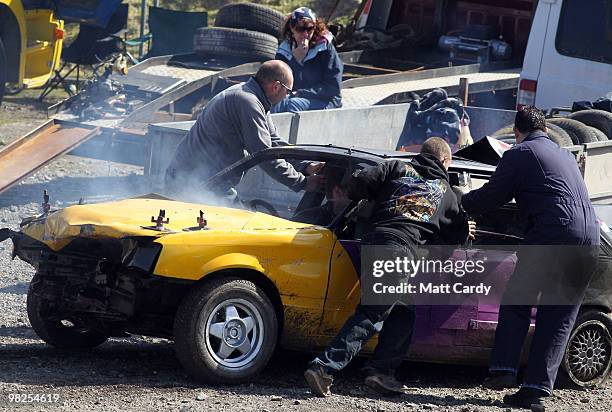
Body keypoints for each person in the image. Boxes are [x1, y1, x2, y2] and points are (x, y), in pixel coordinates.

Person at [304, 137, 475, 397]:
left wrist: (369, 195)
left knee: (404, 311)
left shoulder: (396, 167)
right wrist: (466, 227)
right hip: (400, 252)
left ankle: (381, 373)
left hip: (372, 243)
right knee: (372, 314)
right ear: (445, 161)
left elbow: (359, 183)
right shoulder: (447, 193)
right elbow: (456, 239)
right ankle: (324, 367)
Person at [460, 106, 600, 409]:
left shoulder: (519, 153)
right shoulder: (565, 156)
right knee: (559, 315)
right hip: (590, 238)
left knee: (517, 300)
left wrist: (459, 201)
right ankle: (535, 392)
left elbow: (492, 196)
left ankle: (503, 371)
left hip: (552, 235)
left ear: (516, 133)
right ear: (547, 129)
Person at [164, 60, 324, 199]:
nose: (287, 96)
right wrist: (302, 182)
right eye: (288, 92)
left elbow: (274, 142)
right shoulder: (248, 102)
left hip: (210, 181)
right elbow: (264, 154)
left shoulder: (255, 98)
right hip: (192, 181)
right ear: (276, 87)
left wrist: (305, 166)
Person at [272, 7, 343, 113]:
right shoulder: (284, 50)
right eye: (300, 29)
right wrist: (296, 60)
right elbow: (280, 83)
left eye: (309, 29)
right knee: (276, 104)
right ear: (292, 28)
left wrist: (300, 93)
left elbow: (333, 87)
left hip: (327, 100)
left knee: (293, 105)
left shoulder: (324, 48)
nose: (305, 34)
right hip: (297, 95)